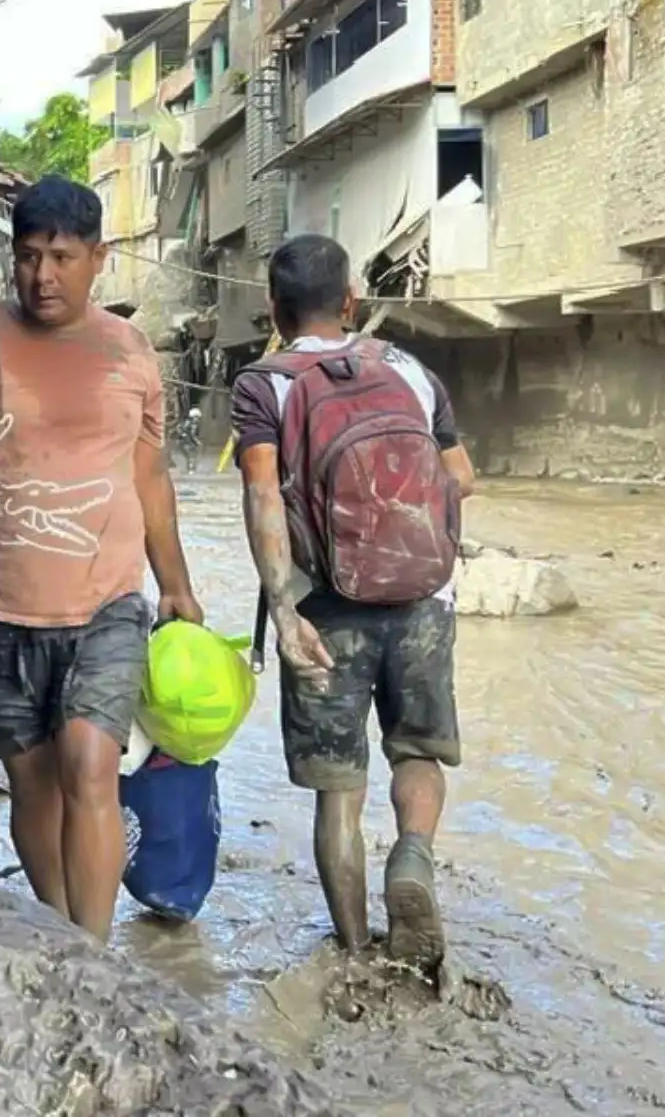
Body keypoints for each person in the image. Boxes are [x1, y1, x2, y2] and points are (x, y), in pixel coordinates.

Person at [0, 175, 203, 940]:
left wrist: (177, 587)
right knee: (32, 783)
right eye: (27, 257)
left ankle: (92, 952)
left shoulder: (129, 351)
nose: (42, 276)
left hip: (106, 606)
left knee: (91, 765)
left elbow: (150, 477)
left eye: (61, 257)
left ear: (98, 257)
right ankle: (59, 934)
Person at [228, 233, 475, 968]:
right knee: (419, 754)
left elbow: (262, 494)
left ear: (274, 309)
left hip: (324, 609)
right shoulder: (410, 370)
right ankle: (413, 857)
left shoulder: (263, 384)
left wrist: (282, 608)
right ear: (351, 302)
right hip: (423, 600)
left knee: (338, 790)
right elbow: (462, 477)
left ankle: (359, 948)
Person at [175, 404, 203, 473]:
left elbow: (178, 427)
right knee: (191, 456)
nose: (198, 419)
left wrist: (182, 434)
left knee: (189, 456)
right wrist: (197, 441)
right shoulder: (193, 424)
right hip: (186, 442)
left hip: (181, 442)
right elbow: (192, 434)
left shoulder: (186, 422)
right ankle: (191, 470)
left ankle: (189, 469)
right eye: (197, 417)